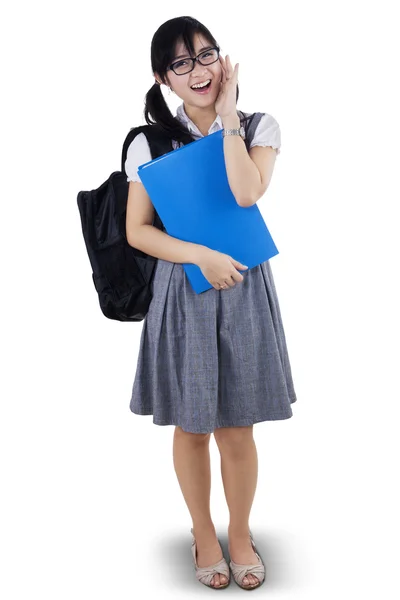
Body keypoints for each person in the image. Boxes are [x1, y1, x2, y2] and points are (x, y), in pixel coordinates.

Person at [125, 15, 297, 591]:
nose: (198, 71)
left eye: (205, 55)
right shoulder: (148, 141)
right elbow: (138, 231)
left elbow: (248, 192)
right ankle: (203, 533)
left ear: (222, 61)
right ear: (163, 78)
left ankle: (241, 533)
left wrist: (227, 120)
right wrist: (199, 255)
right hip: (184, 290)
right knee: (193, 427)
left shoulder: (256, 125)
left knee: (238, 426)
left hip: (245, 286)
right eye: (181, 63)